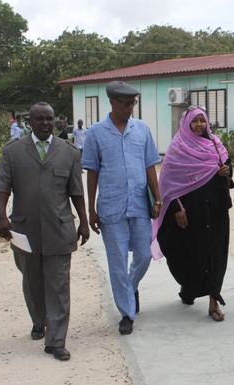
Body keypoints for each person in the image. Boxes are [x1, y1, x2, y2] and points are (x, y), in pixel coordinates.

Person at [0, 102, 90, 361]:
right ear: (30, 122)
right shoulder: (13, 151)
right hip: (25, 229)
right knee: (32, 280)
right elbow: (3, 186)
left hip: (59, 228)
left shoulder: (69, 152)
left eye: (49, 118)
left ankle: (56, 341)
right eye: (40, 119)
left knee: (59, 285)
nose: (46, 123)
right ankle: (39, 320)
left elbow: (76, 191)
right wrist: (2, 217)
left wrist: (83, 221)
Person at [82, 81, 162, 335]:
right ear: (113, 102)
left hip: (139, 205)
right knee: (117, 262)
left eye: (133, 103)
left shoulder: (142, 129)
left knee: (145, 255)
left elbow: (150, 165)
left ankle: (129, 287)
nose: (130, 108)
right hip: (111, 207)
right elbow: (92, 172)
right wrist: (91, 209)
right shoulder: (96, 133)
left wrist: (158, 199)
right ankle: (127, 313)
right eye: (126, 103)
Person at [151, 106, 232, 321]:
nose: (199, 125)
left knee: (216, 252)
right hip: (191, 211)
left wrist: (227, 171)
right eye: (195, 121)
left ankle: (214, 301)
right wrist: (177, 209)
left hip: (216, 209)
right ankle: (189, 288)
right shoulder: (178, 146)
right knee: (191, 252)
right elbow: (169, 182)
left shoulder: (215, 143)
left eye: (202, 121)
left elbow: (226, 167)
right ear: (187, 123)